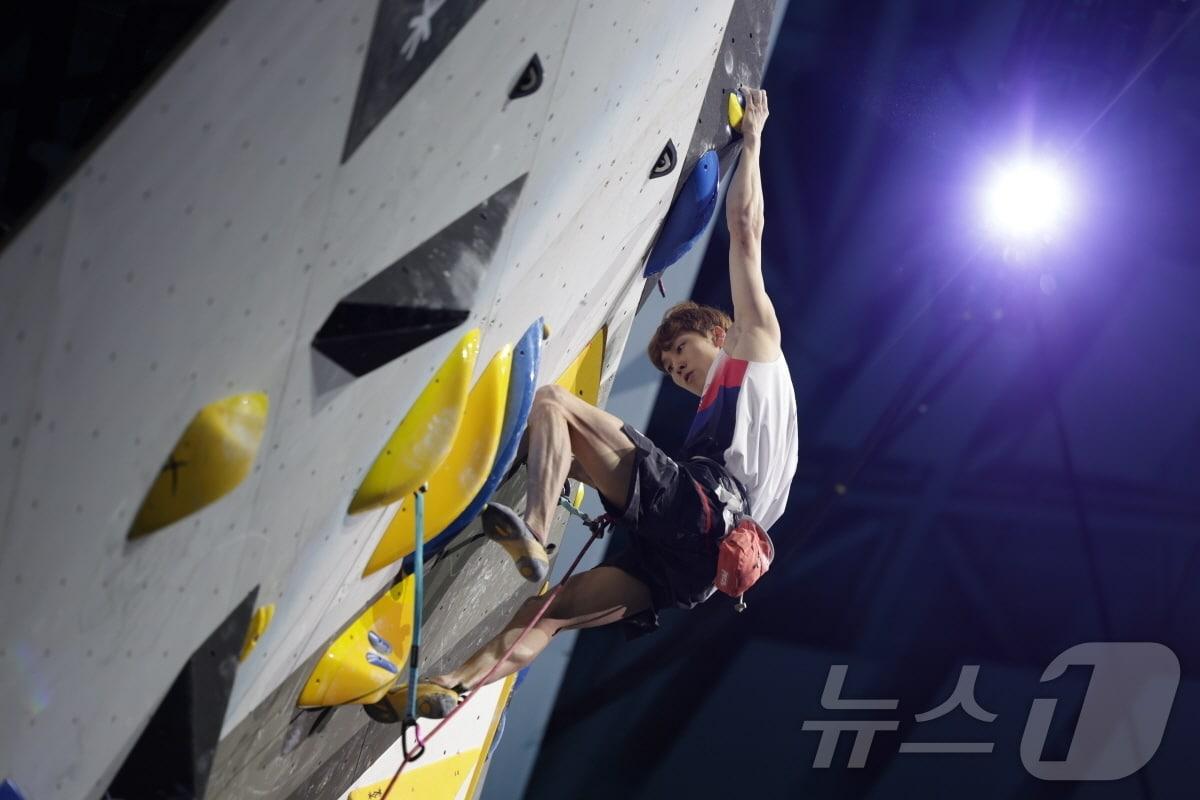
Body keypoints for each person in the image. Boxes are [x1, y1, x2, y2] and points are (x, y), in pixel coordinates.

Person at [383, 87, 798, 719]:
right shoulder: (751, 430)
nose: (679, 372)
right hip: (700, 577)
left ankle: (539, 534)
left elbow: (746, 232)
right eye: (672, 373)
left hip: (701, 514)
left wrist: (755, 138)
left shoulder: (754, 343)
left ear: (718, 332)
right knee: (546, 613)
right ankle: (453, 686)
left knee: (553, 403)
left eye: (681, 353)